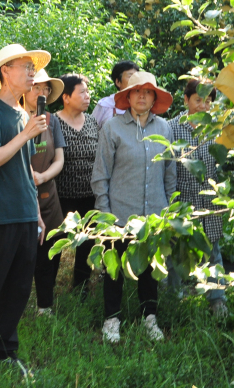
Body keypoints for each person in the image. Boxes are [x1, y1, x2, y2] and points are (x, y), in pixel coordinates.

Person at [0, 43, 49, 376]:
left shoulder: (22, 114)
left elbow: (25, 169)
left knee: (18, 289)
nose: (33, 73)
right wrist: (26, 133)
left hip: (26, 213)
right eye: (26, 67)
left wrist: (37, 213)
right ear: (6, 71)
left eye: (33, 68)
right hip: (0, 214)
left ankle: (6, 353)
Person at [92, 71, 176, 343]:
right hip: (119, 214)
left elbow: (169, 173)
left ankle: (149, 318)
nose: (142, 96)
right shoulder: (112, 128)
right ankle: (111, 319)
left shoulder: (164, 128)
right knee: (114, 269)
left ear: (154, 98)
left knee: (151, 270)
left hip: (154, 215)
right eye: (137, 91)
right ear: (127, 97)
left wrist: (169, 211)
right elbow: (101, 174)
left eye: (148, 92)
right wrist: (104, 215)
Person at [169, 77, 228, 316]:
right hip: (182, 201)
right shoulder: (172, 128)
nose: (203, 106)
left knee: (213, 251)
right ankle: (173, 300)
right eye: (198, 100)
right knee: (176, 252)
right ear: (186, 100)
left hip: (209, 201)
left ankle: (217, 300)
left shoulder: (216, 129)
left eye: (208, 101)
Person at [24, 69, 66, 316]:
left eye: (46, 89)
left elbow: (59, 159)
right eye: (37, 87)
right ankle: (18, 304)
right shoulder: (16, 117)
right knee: (22, 254)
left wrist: (42, 177)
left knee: (49, 253)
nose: (41, 92)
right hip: (22, 195)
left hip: (48, 196)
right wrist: (30, 177)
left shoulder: (52, 121)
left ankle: (45, 305)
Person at [54, 72, 100, 295]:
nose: (87, 96)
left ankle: (81, 289)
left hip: (89, 196)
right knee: (56, 242)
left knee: (87, 243)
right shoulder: (53, 122)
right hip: (61, 196)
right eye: (82, 92)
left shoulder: (92, 122)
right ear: (66, 97)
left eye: (87, 92)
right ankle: (47, 290)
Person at [91, 60, 139, 128]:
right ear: (118, 82)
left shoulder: (143, 105)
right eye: (130, 76)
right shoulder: (104, 105)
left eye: (137, 77)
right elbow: (90, 131)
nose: (135, 80)